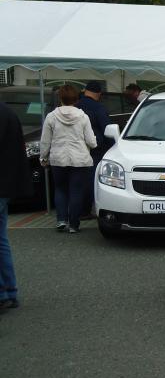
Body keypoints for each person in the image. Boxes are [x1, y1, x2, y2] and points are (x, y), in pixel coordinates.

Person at [40, 85, 97, 234]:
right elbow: (91, 142)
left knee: (60, 189)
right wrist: (93, 143)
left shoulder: (51, 116)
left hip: (58, 159)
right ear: (76, 99)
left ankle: (61, 220)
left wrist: (43, 157)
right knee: (76, 191)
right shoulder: (83, 117)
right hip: (79, 159)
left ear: (60, 98)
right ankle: (74, 225)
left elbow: (45, 141)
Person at [0, 101, 33, 310]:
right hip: (7, 185)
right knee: (1, 240)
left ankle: (4, 292)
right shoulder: (8, 112)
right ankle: (9, 290)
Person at [75, 80, 110, 216]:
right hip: (95, 150)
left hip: (75, 149)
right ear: (99, 94)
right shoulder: (98, 108)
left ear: (85, 91)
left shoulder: (75, 106)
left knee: (76, 181)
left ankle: (75, 211)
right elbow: (106, 129)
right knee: (90, 180)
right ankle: (86, 210)